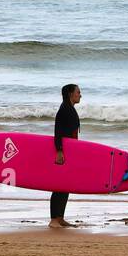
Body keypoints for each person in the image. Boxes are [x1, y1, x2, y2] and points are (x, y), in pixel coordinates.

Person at [51, 83, 80, 228]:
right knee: (58, 184)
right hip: (64, 152)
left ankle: (60, 218)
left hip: (70, 151)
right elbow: (57, 132)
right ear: (70, 94)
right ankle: (53, 220)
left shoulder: (70, 109)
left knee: (66, 184)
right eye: (78, 92)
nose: (80, 95)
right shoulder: (63, 110)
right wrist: (59, 151)